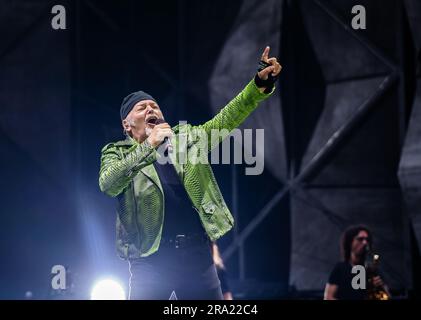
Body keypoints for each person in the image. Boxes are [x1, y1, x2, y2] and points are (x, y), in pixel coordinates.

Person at [98, 46, 281, 300]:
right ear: (127, 125)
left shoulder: (185, 139)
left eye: (154, 105)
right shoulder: (116, 152)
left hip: (197, 257)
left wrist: (257, 85)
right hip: (151, 259)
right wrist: (149, 146)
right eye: (142, 108)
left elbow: (226, 119)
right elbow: (109, 183)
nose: (151, 109)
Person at [324, 225, 391, 300]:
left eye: (367, 240)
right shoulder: (340, 268)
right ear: (350, 242)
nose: (365, 242)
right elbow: (328, 297)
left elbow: (386, 297)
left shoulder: (372, 270)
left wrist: (381, 287)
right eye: (360, 239)